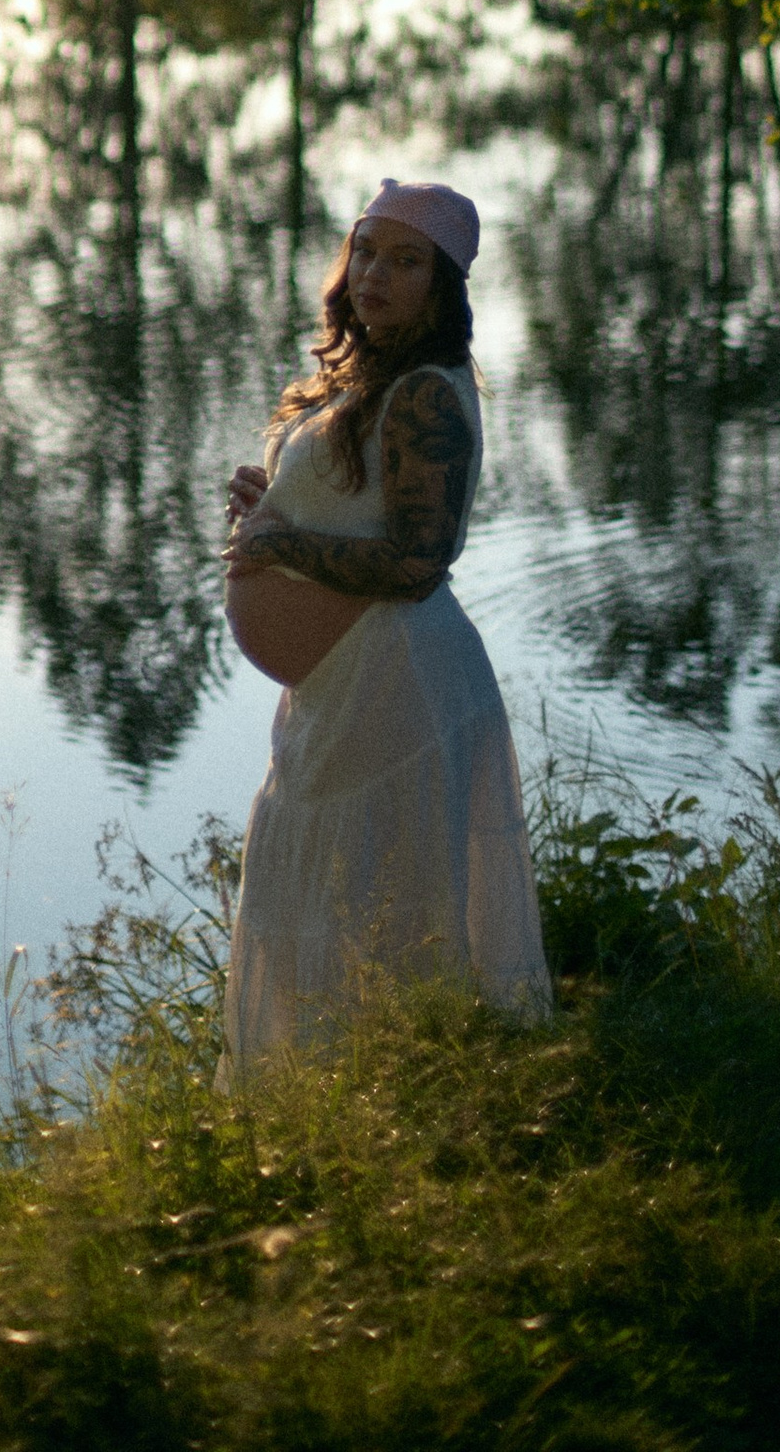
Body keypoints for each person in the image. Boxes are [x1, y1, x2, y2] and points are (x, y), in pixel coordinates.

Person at [219, 176, 551, 1067]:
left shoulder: (429, 395)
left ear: (443, 284)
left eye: (406, 262)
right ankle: (327, 1095)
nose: (376, 275)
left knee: (381, 903)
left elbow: (417, 564)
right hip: (342, 690)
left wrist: (284, 539)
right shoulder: (361, 378)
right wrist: (268, 510)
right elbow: (346, 516)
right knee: (331, 895)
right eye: (367, 251)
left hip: (400, 685)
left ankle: (398, 1087)